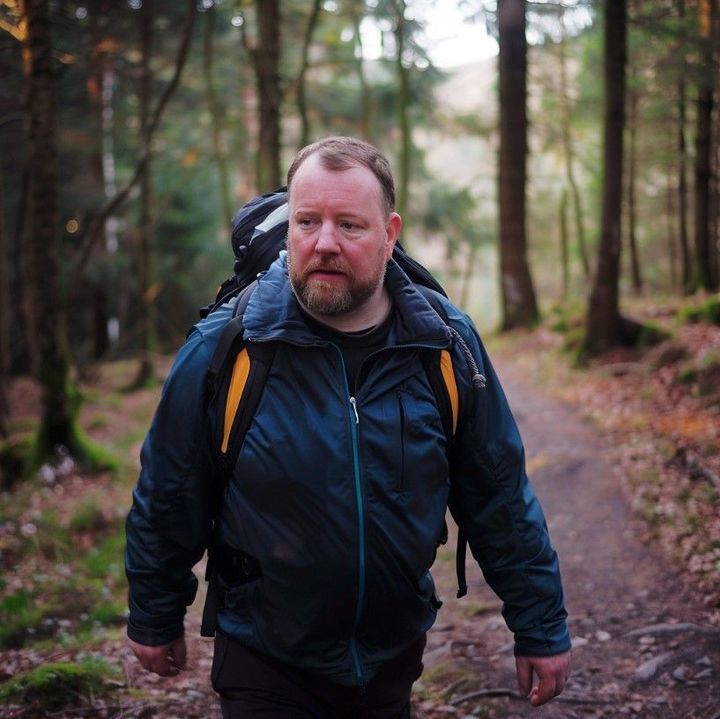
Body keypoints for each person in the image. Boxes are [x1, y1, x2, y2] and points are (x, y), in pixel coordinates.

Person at [125, 136, 571, 718]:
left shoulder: (441, 345)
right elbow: (170, 489)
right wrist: (155, 614)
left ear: (389, 234)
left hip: (392, 658)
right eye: (307, 221)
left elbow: (499, 495)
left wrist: (539, 626)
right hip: (264, 655)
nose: (325, 243)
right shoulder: (230, 348)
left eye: (350, 226)